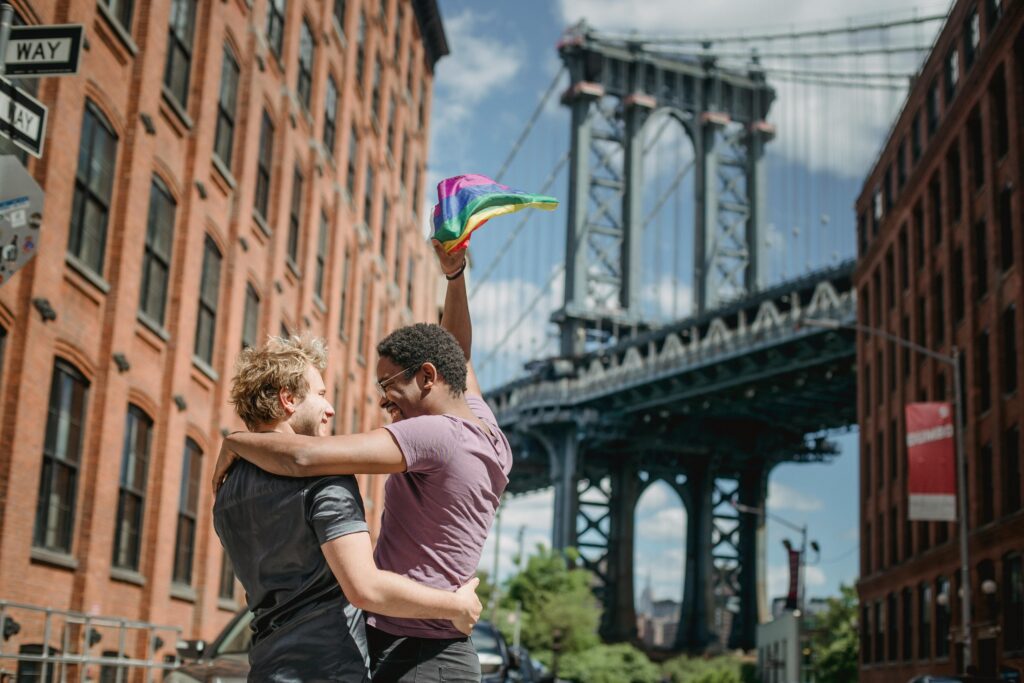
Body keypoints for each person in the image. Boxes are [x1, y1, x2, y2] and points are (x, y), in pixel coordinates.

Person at [213, 242, 511, 682]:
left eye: (388, 384)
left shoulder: (431, 435)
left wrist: (235, 440)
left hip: (413, 654)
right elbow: (456, 358)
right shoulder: (485, 428)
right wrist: (454, 277)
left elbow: (301, 455)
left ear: (427, 377)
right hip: (436, 649)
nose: (380, 400)